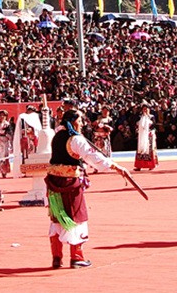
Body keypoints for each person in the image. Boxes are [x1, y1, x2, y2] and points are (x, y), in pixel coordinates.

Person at [46, 110, 127, 269]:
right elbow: (93, 157)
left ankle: (56, 257)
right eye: (80, 120)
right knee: (76, 216)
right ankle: (76, 257)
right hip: (69, 183)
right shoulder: (76, 139)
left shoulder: (57, 136)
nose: (82, 123)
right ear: (73, 121)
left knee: (58, 217)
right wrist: (115, 167)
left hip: (54, 182)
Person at [133, 104, 157, 171]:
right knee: (140, 149)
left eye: (146, 109)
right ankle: (139, 165)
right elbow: (136, 124)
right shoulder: (140, 117)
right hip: (141, 135)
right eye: (144, 109)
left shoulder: (151, 117)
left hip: (149, 135)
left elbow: (154, 125)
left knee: (149, 150)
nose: (145, 110)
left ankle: (151, 165)